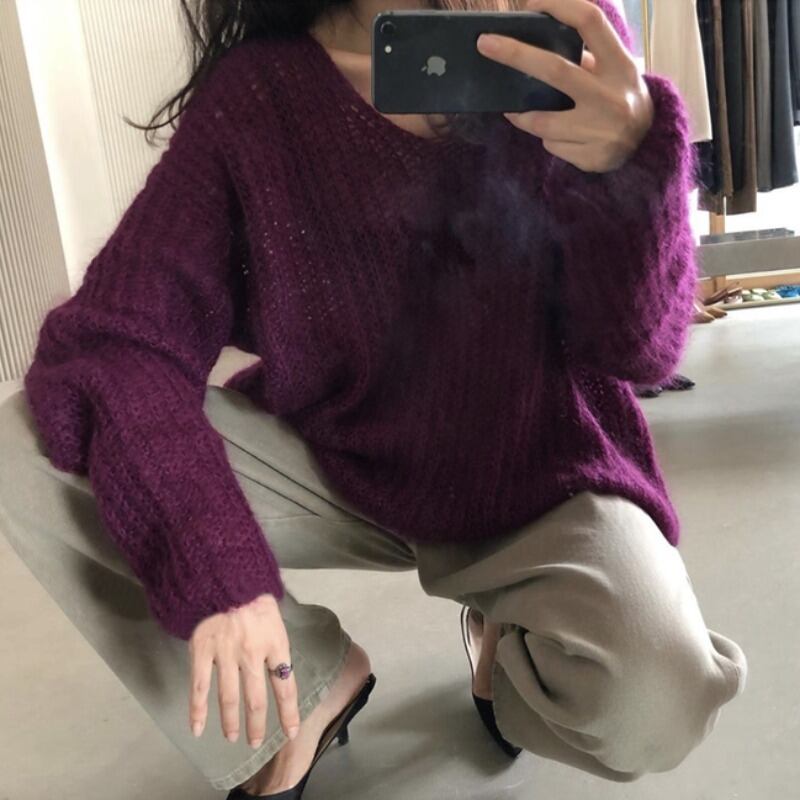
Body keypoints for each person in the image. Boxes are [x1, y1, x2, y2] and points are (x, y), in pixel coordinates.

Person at [0, 0, 748, 797]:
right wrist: (211, 564)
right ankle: (305, 695)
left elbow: (639, 354)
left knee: (659, 705)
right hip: (338, 458)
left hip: (544, 466)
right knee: (29, 444)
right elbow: (116, 342)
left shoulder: (568, 51)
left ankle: (506, 645)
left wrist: (632, 165)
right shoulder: (258, 96)